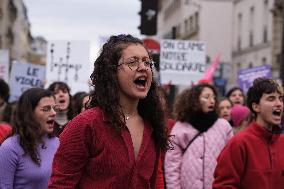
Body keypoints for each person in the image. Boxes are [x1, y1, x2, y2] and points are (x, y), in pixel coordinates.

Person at [48, 34, 169, 189]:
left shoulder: (153, 124)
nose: (143, 67)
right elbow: (60, 185)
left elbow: (154, 181)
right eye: (132, 62)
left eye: (147, 62)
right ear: (112, 72)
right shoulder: (85, 125)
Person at [213, 77, 284, 189]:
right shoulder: (238, 143)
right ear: (256, 107)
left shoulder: (282, 142)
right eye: (271, 99)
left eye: (281, 98)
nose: (279, 103)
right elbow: (223, 185)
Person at [164, 83, 233, 189]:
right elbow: (172, 164)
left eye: (213, 97)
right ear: (194, 100)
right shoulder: (179, 127)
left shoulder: (224, 127)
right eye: (207, 97)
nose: (212, 101)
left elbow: (231, 161)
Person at [0, 88, 59, 188]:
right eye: (46, 109)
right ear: (29, 114)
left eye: (54, 108)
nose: (53, 113)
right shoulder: (10, 148)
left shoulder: (58, 143)